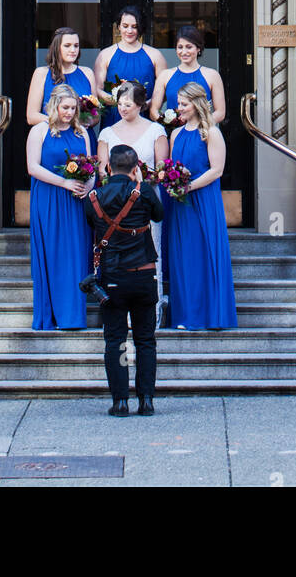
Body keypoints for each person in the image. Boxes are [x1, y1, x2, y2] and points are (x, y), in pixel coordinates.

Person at [84, 143, 163, 416]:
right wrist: (140, 184)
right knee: (145, 340)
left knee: (115, 340)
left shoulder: (94, 197)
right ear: (135, 167)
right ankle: (147, 400)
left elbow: (92, 226)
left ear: (108, 167)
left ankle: (120, 401)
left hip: (112, 278)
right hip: (143, 275)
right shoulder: (144, 193)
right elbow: (159, 215)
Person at [166, 82, 237, 330]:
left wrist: (189, 187)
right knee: (184, 257)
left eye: (184, 104)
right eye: (179, 104)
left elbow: (216, 170)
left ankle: (209, 314)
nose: (179, 108)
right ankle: (186, 315)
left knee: (203, 252)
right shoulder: (175, 134)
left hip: (203, 200)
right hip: (181, 204)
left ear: (197, 104)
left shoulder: (211, 132)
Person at [96, 80, 169, 316]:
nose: (122, 108)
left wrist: (146, 178)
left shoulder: (156, 130)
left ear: (140, 105)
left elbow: (161, 167)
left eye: (128, 104)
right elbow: (102, 171)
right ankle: (117, 310)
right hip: (115, 204)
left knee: (148, 252)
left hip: (145, 199)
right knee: (118, 253)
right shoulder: (107, 132)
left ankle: (149, 310)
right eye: (119, 104)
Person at [27, 84, 93, 330]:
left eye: (73, 108)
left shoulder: (81, 133)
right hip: (49, 198)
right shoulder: (40, 131)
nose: (69, 112)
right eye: (65, 107)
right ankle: (52, 314)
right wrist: (64, 182)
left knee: (76, 254)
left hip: (76, 201)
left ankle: (73, 317)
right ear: (53, 105)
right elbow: (33, 167)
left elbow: (91, 165)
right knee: (53, 254)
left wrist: (90, 184)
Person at [26, 26, 98, 150]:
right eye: (67, 45)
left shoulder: (87, 73)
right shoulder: (41, 73)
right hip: (54, 138)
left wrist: (87, 121)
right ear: (56, 47)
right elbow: (31, 116)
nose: (73, 50)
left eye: (76, 45)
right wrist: (64, 122)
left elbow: (96, 116)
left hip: (81, 138)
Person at [94, 6, 167, 128]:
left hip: (144, 116)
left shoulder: (155, 55)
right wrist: (118, 102)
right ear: (118, 26)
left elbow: (164, 90)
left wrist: (144, 104)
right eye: (125, 26)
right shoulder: (105, 55)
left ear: (140, 28)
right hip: (114, 118)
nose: (129, 31)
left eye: (134, 26)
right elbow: (97, 89)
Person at [148, 24, 226, 125]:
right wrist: (169, 125)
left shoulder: (212, 75)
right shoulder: (165, 75)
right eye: (180, 47)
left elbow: (220, 113)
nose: (184, 52)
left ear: (198, 48)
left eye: (189, 47)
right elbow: (153, 111)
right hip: (173, 135)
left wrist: (197, 125)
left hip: (201, 134)